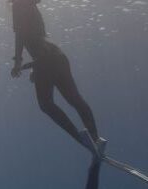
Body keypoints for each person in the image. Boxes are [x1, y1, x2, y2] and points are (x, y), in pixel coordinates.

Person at [10, 0, 105, 156]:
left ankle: (82, 140)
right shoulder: (32, 8)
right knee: (75, 100)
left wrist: (18, 62)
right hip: (57, 57)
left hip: (45, 61)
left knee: (46, 105)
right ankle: (95, 138)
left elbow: (20, 34)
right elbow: (37, 40)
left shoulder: (18, 5)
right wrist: (35, 65)